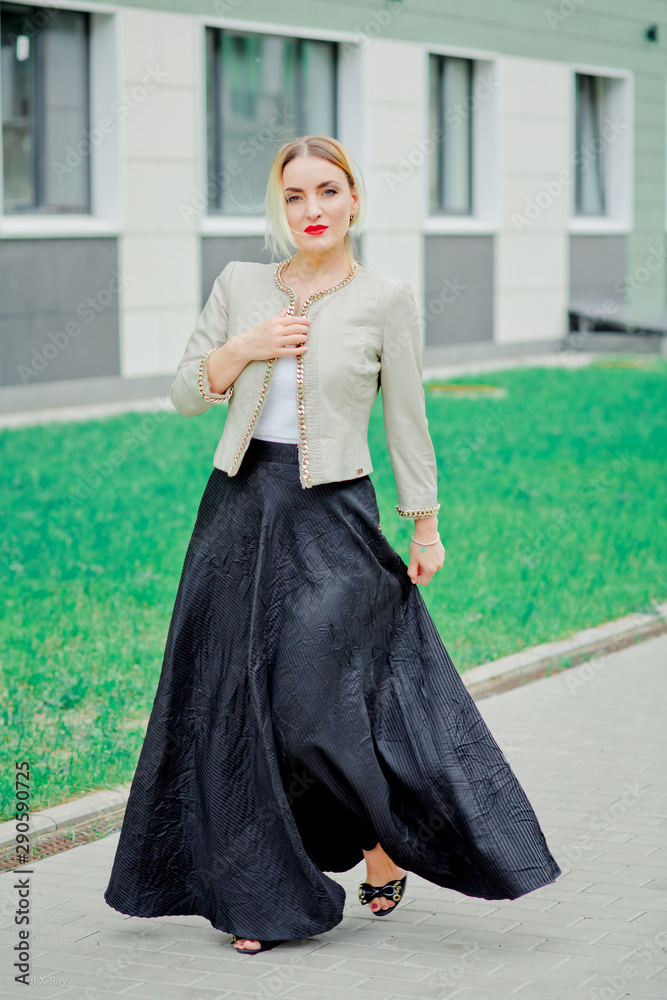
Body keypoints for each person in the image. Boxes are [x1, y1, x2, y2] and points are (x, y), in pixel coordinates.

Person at [104, 134, 561, 956]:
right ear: (279, 208)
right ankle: (262, 899)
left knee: (314, 704)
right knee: (237, 705)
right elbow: (182, 394)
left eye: (326, 192)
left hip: (335, 517)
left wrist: (424, 523)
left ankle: (382, 843)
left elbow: (406, 418)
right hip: (238, 515)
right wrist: (245, 347)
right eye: (293, 197)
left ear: (353, 198)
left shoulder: (385, 297)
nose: (310, 210)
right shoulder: (240, 285)